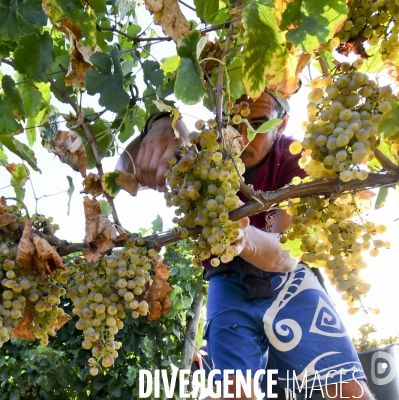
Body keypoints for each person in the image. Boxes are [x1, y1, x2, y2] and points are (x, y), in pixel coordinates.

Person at [118, 92, 374, 400]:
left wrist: (238, 235)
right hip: (227, 279)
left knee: (347, 391)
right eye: (235, 123)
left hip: (289, 278)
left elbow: (286, 253)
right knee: (236, 394)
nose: (243, 136)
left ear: (281, 124)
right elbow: (122, 173)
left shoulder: (294, 156)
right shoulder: (207, 152)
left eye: (257, 124)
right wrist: (158, 124)